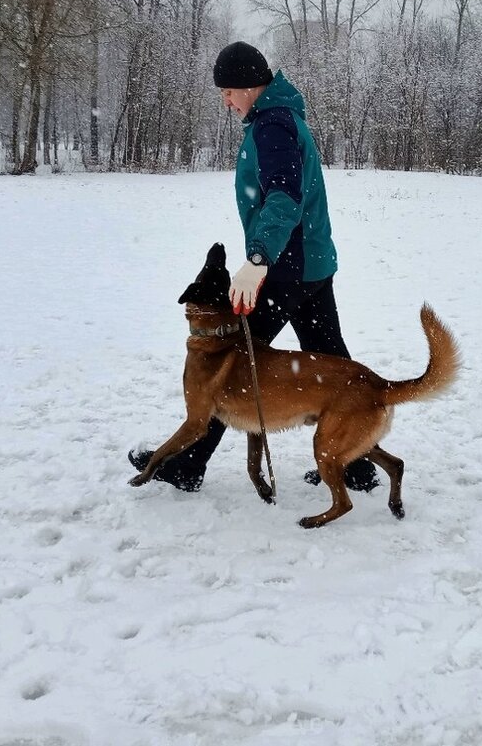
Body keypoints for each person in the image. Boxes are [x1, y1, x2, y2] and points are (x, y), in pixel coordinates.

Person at [127, 41, 379, 493]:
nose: (225, 100)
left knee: (231, 361)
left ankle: (187, 463)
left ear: (249, 85)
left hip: (287, 266)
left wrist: (258, 259)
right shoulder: (280, 117)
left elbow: (284, 195)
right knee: (332, 360)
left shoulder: (273, 126)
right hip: (312, 263)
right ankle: (357, 465)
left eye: (228, 91)